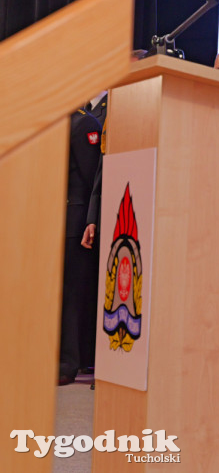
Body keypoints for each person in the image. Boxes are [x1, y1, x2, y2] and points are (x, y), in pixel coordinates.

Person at [58, 106, 103, 385]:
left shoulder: (83, 123)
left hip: (74, 220)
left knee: (72, 295)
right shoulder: (52, 121)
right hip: (50, 219)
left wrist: (89, 219)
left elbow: (90, 178)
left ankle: (68, 362)